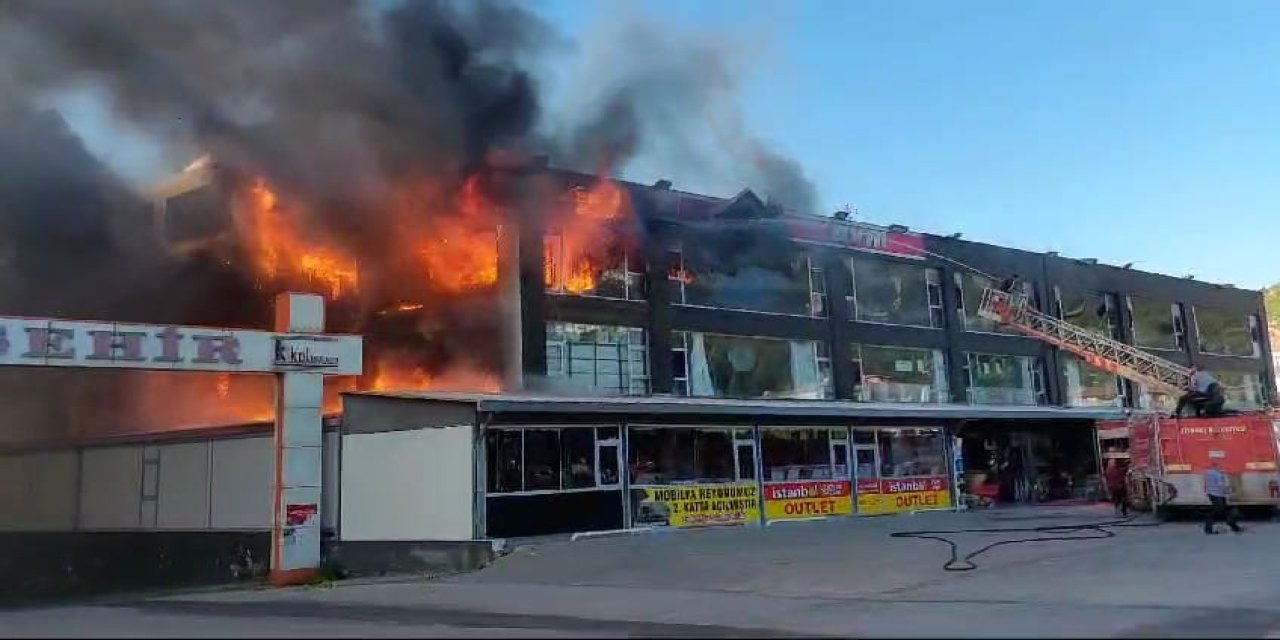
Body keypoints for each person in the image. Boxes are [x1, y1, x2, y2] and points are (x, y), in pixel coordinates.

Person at [1203, 461, 1242, 534]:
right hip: (1218, 495)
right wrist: (1230, 490)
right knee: (1219, 511)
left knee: (1224, 510)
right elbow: (1221, 485)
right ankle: (1209, 526)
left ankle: (1233, 526)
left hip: (1212, 494)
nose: (1221, 467)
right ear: (1217, 466)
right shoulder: (1219, 474)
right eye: (1220, 466)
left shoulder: (1208, 473)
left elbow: (1206, 484)